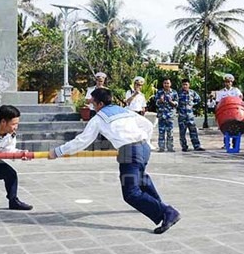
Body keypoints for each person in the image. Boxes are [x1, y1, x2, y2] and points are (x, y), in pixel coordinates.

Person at [48, 88, 181, 234]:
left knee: (131, 193)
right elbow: (148, 125)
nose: (91, 105)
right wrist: (145, 141)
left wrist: (57, 151)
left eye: (92, 102)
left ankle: (167, 212)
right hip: (143, 148)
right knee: (142, 179)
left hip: (129, 152)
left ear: (100, 104)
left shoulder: (98, 119)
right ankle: (159, 205)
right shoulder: (124, 110)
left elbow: (82, 141)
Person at [177, 79, 204, 152]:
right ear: (182, 85)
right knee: (182, 132)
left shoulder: (192, 93)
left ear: (189, 85)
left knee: (193, 131)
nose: (185, 86)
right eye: (183, 84)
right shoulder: (178, 93)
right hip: (182, 116)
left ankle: (197, 146)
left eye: (186, 84)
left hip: (190, 116)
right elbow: (175, 102)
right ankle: (184, 146)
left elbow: (198, 99)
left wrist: (193, 104)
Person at [155, 78, 179, 152]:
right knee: (161, 132)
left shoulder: (174, 92)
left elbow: (177, 103)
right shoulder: (159, 92)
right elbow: (156, 103)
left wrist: (171, 102)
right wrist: (160, 100)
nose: (166, 85)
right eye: (165, 83)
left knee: (170, 132)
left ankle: (170, 147)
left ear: (170, 84)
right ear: (163, 84)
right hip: (162, 115)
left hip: (170, 116)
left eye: (168, 83)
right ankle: (161, 148)